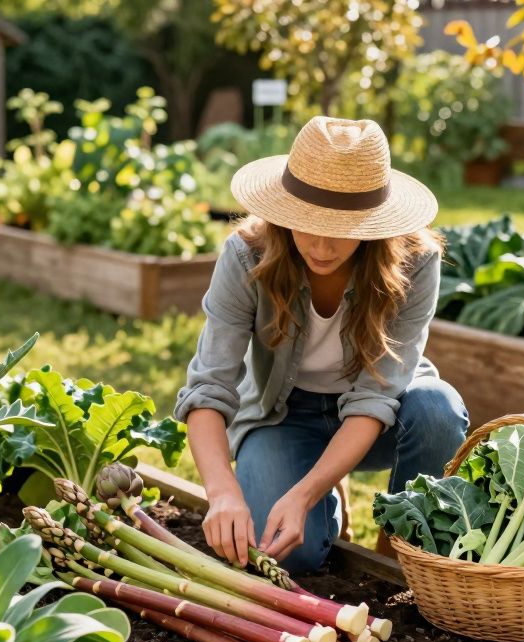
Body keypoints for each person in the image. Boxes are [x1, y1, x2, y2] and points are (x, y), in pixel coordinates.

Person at [173, 116, 469, 573]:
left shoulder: (415, 262)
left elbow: (376, 397)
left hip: (385, 416)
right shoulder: (245, 256)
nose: (323, 246)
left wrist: (304, 494)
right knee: (296, 554)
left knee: (438, 411)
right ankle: (326, 490)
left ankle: (400, 553)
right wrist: (222, 491)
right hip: (284, 414)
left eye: (344, 227)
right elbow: (209, 388)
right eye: (306, 223)